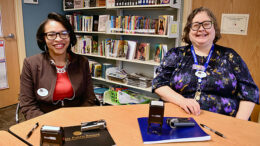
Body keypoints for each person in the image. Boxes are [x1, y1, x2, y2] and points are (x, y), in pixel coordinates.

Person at [152, 7, 259, 120]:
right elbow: (158, 84)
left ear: (214, 29)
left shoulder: (230, 56)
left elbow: (250, 92)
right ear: (188, 31)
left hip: (224, 122)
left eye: (206, 24)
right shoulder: (175, 54)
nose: (201, 29)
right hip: (179, 118)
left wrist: (239, 123)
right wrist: (182, 101)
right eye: (196, 25)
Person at [19, 12, 96, 120]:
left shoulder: (82, 62)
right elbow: (28, 105)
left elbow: (89, 98)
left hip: (77, 119)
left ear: (70, 36)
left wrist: (78, 119)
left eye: (64, 33)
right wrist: (49, 124)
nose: (59, 39)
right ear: (44, 38)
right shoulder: (31, 64)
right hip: (44, 121)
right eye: (51, 35)